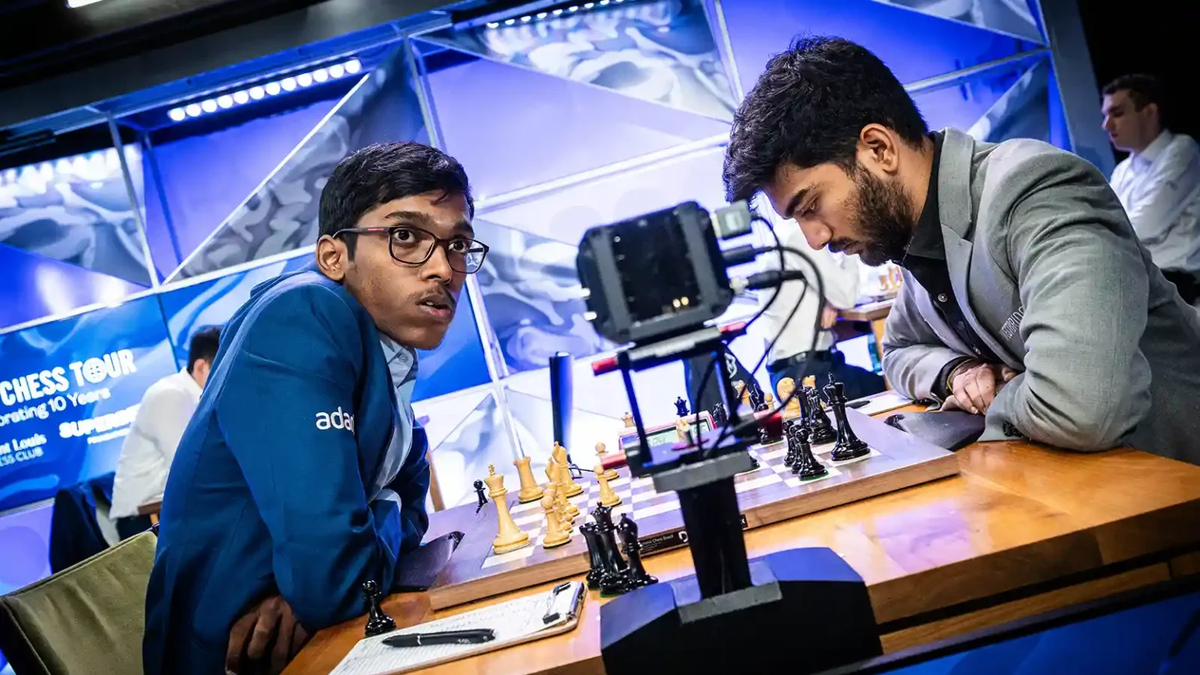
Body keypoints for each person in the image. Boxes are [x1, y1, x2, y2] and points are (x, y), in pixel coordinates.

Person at [723, 36, 1200, 463]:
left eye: (811, 206)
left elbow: (1082, 404)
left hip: (1172, 485)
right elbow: (898, 351)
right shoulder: (915, 234)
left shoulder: (1035, 191)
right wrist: (959, 373)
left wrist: (987, 406)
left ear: (879, 149)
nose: (814, 239)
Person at [143, 142, 487, 675]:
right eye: (405, 236)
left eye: (458, 244)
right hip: (242, 660)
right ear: (333, 257)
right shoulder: (304, 312)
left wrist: (346, 559)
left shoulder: (384, 351)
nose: (444, 268)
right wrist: (376, 523)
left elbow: (411, 503)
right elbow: (339, 581)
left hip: (319, 642)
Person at [755, 215, 885, 400]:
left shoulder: (780, 233)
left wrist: (829, 300)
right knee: (889, 386)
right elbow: (846, 296)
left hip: (796, 369)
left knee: (879, 381)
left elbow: (836, 293)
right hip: (807, 374)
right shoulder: (797, 234)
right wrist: (851, 243)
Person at [110, 326, 220, 539]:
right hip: (144, 522)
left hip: (171, 511)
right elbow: (191, 464)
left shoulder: (196, 396)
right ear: (201, 366)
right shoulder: (170, 395)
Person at [1102, 74, 1200, 304]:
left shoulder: (1182, 151)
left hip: (1178, 290)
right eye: (1105, 116)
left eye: (1117, 113)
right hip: (1138, 286)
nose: (1106, 125)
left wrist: (1106, 231)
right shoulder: (1122, 170)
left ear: (1149, 112)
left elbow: (1145, 226)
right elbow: (1109, 223)